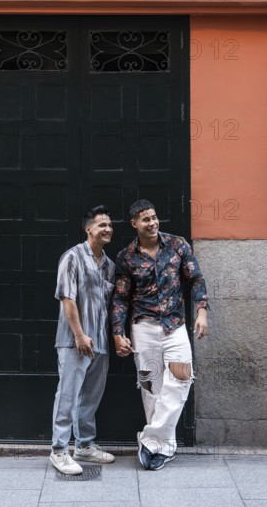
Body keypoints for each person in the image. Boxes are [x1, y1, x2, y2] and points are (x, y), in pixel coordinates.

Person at [110, 199, 208, 471]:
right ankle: (164, 448)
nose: (152, 223)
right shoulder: (126, 257)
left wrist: (202, 311)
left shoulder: (178, 245)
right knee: (151, 388)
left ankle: (151, 441)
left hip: (175, 327)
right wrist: (118, 333)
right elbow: (120, 298)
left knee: (181, 378)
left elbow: (196, 279)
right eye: (145, 219)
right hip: (143, 329)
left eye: (154, 217)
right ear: (134, 224)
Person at [50, 205, 116, 475]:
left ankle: (84, 446)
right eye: (102, 225)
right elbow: (68, 298)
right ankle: (58, 451)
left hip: (99, 342)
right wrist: (79, 335)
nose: (108, 229)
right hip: (74, 341)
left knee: (90, 397)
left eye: (110, 225)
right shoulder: (72, 257)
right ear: (88, 228)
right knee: (67, 396)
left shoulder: (110, 266)